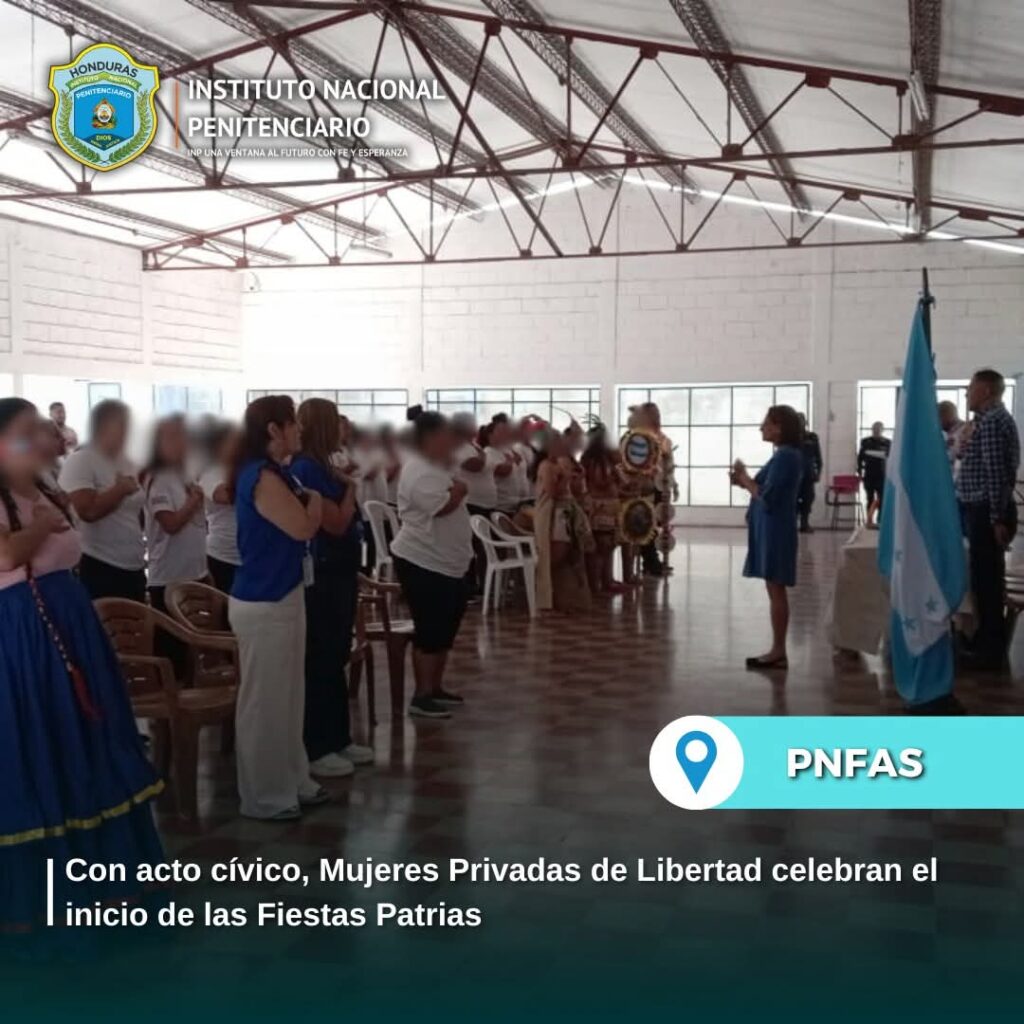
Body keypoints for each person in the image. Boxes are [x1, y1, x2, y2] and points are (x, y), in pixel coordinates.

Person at [0, 398, 163, 936]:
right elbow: (6, 557)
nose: (42, 441)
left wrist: (45, 520)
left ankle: (103, 875)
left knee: (87, 744)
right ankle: (39, 892)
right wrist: (40, 527)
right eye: (25, 433)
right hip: (23, 637)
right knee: (40, 745)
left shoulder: (44, 487)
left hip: (69, 626)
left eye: (41, 431)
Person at [229, 395, 327, 820]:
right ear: (274, 429)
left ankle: (293, 779)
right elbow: (302, 526)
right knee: (264, 702)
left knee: (289, 697)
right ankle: (264, 795)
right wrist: (317, 502)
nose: (300, 430)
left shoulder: (281, 473)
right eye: (293, 423)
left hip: (286, 591)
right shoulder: (260, 476)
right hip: (262, 599)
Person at [291, 398, 373, 777]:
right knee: (321, 656)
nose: (345, 430)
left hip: (340, 570)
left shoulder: (324, 465)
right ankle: (318, 745)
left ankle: (339, 737)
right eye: (337, 424)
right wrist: (351, 489)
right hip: (322, 572)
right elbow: (336, 522)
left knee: (337, 652)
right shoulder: (306, 468)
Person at [391, 410, 473, 719]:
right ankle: (422, 695)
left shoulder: (436, 466)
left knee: (445, 629)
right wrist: (459, 491)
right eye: (446, 436)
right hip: (424, 560)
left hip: (447, 562)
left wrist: (457, 488)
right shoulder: (419, 469)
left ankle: (435, 687)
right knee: (430, 629)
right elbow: (441, 506)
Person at [730, 405, 805, 670]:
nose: (761, 428)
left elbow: (767, 496)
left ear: (779, 427)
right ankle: (777, 648)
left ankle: (778, 649)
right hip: (772, 527)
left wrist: (745, 479)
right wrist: (743, 480)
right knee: (774, 589)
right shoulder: (784, 456)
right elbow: (761, 488)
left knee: (776, 589)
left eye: (766, 423)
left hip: (776, 529)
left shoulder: (786, 457)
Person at [956, 369, 1021, 669]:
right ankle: (984, 640)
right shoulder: (986, 422)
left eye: (971, 388)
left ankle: (990, 649)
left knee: (988, 582)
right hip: (983, 509)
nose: (967, 393)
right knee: (984, 579)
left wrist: (997, 519)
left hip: (987, 511)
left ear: (985, 391)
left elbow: (996, 474)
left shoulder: (993, 422)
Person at [58, 399, 146, 602]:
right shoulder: (81, 459)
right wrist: (119, 490)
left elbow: (137, 510)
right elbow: (87, 511)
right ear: (102, 425)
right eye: (122, 424)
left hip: (133, 562)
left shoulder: (128, 461)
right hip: (100, 563)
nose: (128, 431)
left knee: (135, 619)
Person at [140, 414, 208, 613]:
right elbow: (170, 524)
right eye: (174, 438)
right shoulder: (159, 478)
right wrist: (193, 501)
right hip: (169, 578)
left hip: (195, 572)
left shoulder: (186, 474)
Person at [532, 430, 593, 613]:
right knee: (556, 556)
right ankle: (549, 597)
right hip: (555, 514)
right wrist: (565, 477)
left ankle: (566, 597)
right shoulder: (546, 466)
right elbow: (552, 492)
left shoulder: (558, 463)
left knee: (568, 554)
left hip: (566, 510)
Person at [580, 425, 627, 595]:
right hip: (600, 506)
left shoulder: (607, 459)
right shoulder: (593, 460)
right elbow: (599, 482)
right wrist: (613, 476)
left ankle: (608, 580)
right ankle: (596, 585)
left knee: (609, 546)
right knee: (601, 547)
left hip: (609, 506)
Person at [198, 422, 241, 594]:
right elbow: (223, 495)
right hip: (222, 555)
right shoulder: (211, 473)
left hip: (247, 555)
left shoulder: (243, 470)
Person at [857, 421, 891, 529]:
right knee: (870, 498)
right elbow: (860, 458)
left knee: (882, 499)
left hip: (882, 475)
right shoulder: (865, 442)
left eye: (878, 429)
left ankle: (881, 521)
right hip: (869, 474)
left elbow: (891, 457)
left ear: (882, 430)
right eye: (874, 429)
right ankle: (869, 521)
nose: (876, 431)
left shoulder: (887, 442)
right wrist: (860, 472)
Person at [796, 412, 822, 533]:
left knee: (809, 498)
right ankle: (792, 523)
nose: (800, 423)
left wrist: (819, 472)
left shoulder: (812, 437)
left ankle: (804, 524)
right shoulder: (790, 437)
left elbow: (818, 457)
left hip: (808, 473)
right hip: (794, 474)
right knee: (793, 499)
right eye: (798, 420)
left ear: (805, 422)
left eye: (802, 420)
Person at [938, 400, 968, 469]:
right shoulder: (945, 435)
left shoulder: (965, 432)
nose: (937, 422)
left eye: (939, 417)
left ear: (947, 415)